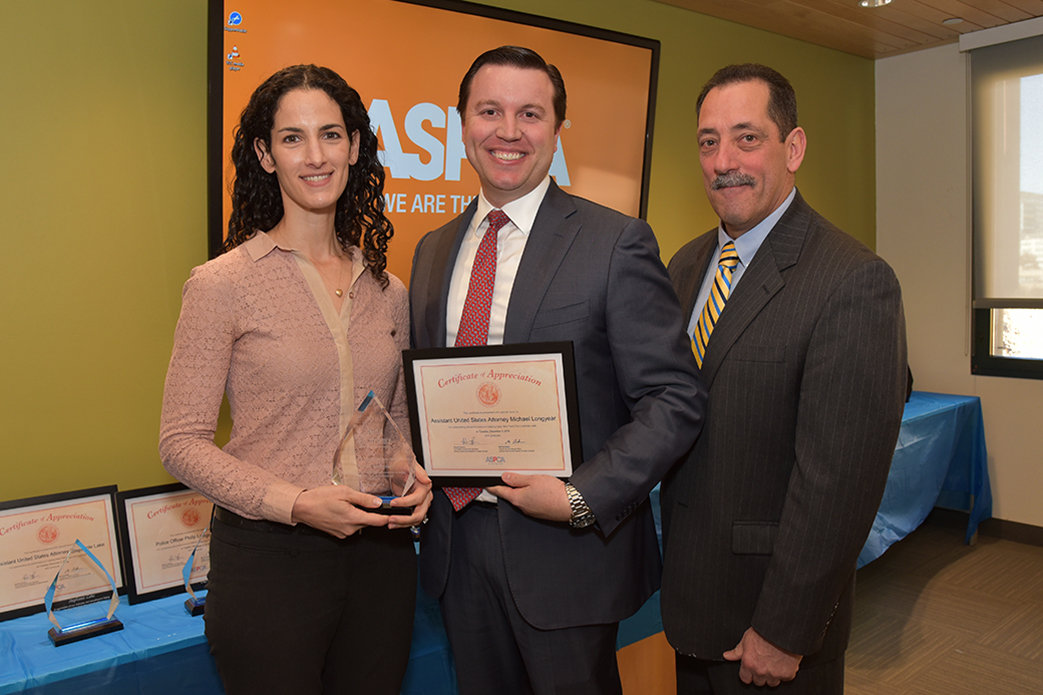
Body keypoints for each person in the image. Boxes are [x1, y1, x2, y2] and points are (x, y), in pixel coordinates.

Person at [408, 45, 706, 695]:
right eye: (489, 111)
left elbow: (672, 396)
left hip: (563, 550)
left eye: (530, 114)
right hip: (456, 547)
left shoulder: (614, 240)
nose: (508, 131)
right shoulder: (432, 251)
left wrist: (579, 496)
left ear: (557, 130)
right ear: (462, 123)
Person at [159, 64, 432, 695]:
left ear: (356, 147)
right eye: (292, 138)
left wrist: (415, 471)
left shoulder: (389, 292)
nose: (315, 156)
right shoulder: (220, 285)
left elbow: (399, 424)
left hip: (381, 558)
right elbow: (181, 441)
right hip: (269, 561)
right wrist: (297, 503)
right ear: (263, 153)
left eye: (331, 135)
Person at [660, 63, 907, 693]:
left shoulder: (851, 280)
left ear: (792, 148)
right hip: (693, 607)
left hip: (772, 630)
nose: (723, 161)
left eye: (747, 138)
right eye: (708, 141)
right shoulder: (686, 265)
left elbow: (839, 482)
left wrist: (787, 629)